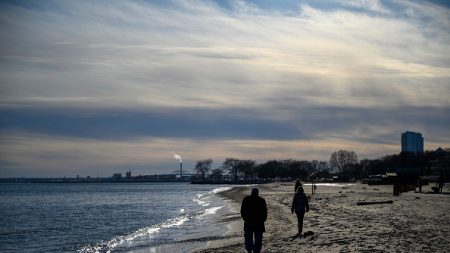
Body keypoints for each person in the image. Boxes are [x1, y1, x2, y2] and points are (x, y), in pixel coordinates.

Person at [241, 188, 267, 253]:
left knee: (248, 239)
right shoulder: (262, 200)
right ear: (257, 193)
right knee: (258, 240)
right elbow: (265, 212)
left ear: (251, 192)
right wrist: (263, 219)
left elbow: (242, 210)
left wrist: (244, 218)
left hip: (248, 222)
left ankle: (249, 250)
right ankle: (256, 251)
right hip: (259, 223)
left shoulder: (246, 199)